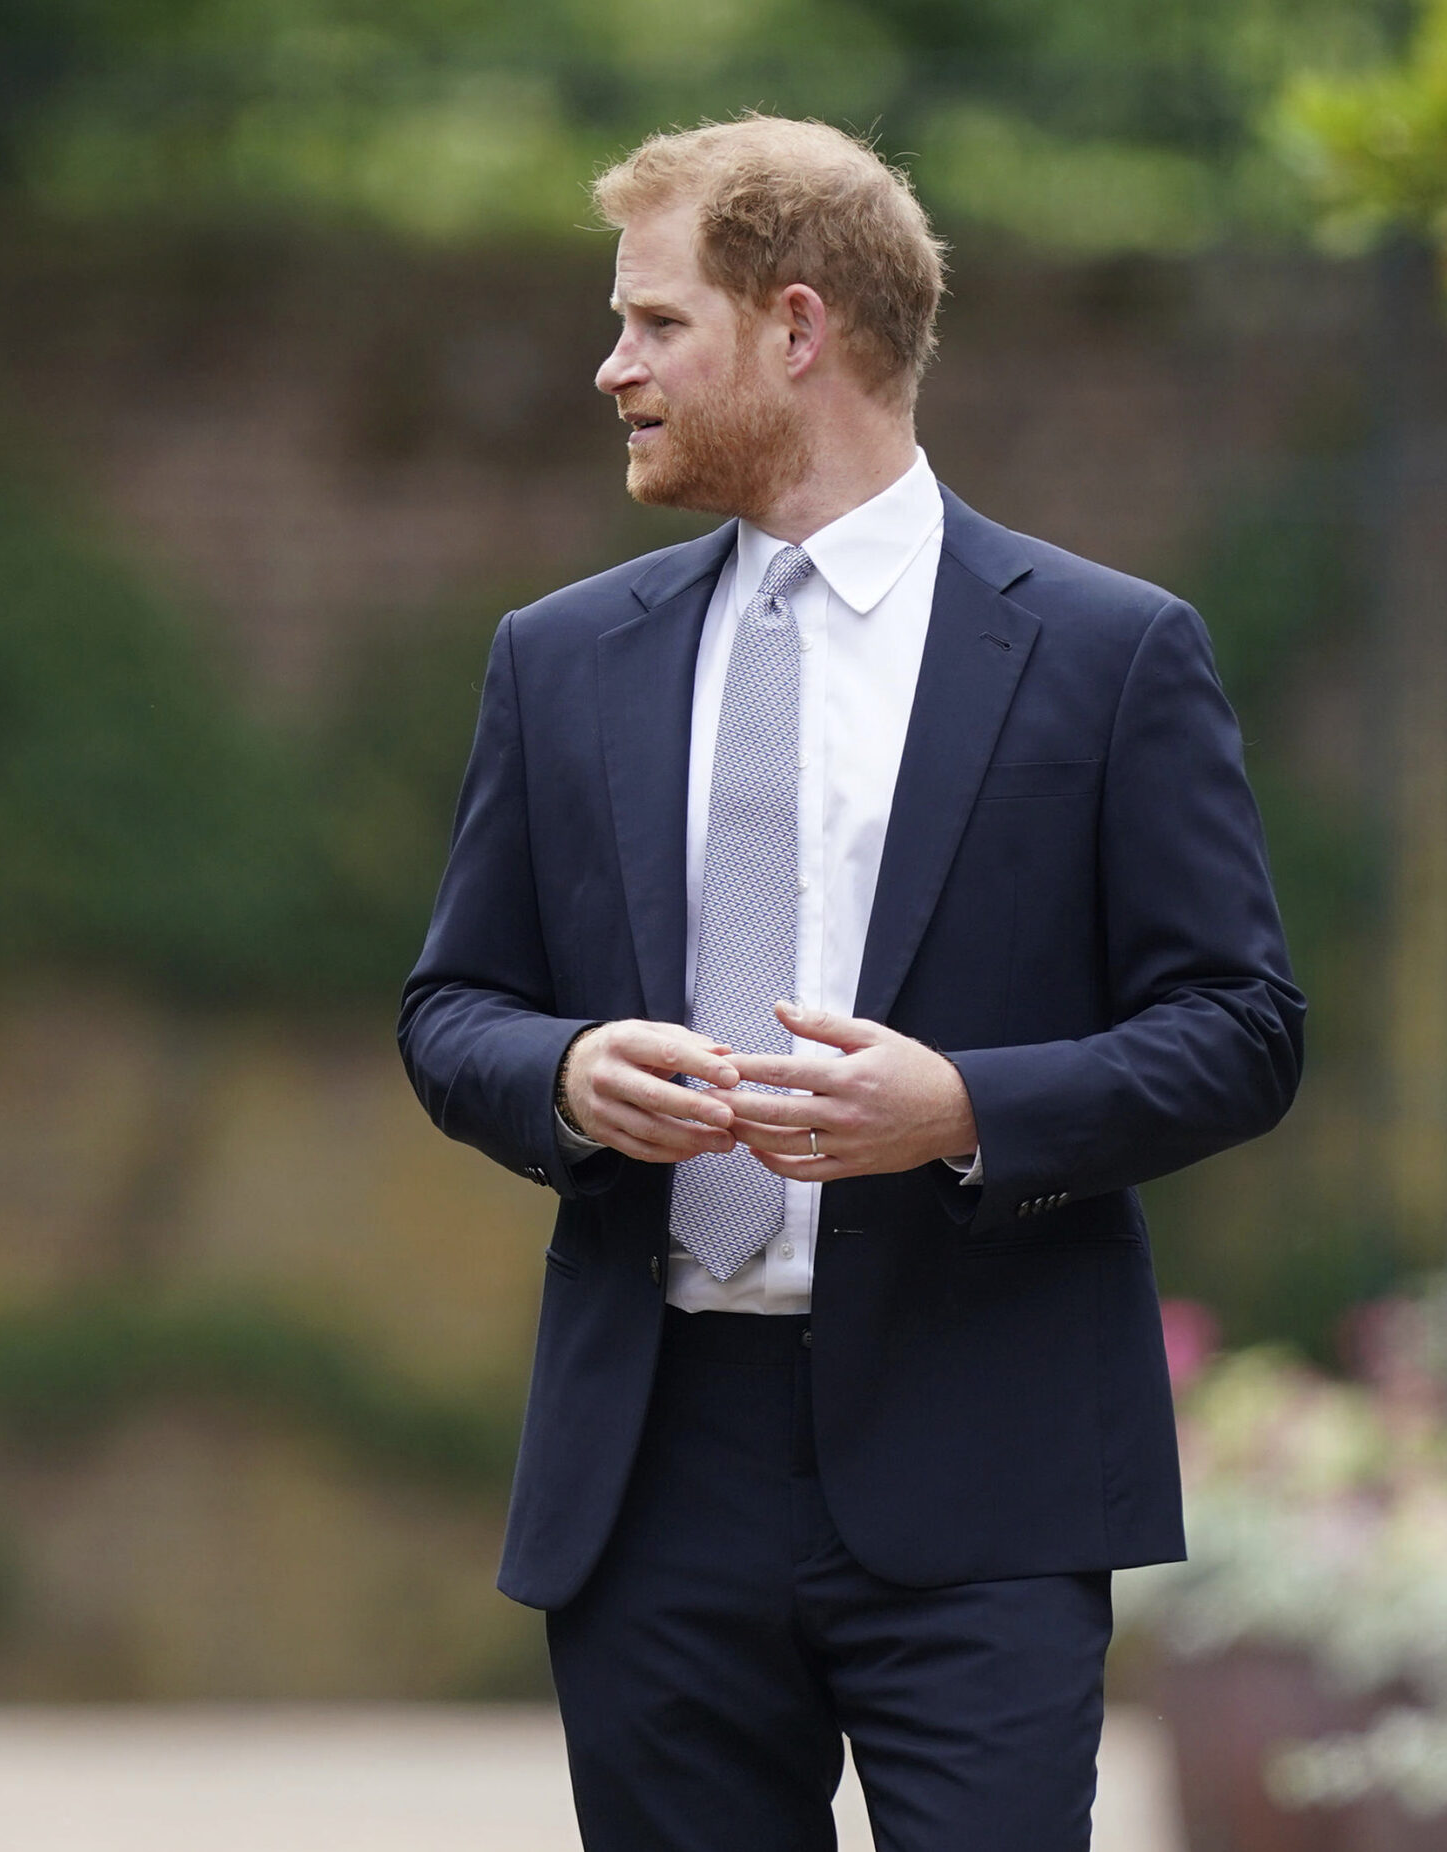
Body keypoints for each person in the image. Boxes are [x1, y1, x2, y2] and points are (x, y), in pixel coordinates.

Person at [399, 116, 1303, 1849]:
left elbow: (1244, 1031)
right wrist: (569, 1071)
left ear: (797, 327)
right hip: (652, 1469)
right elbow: (452, 1010)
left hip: (989, 1458)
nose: (611, 368)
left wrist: (966, 1109)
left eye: (656, 323)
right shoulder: (560, 658)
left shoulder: (1112, 654)